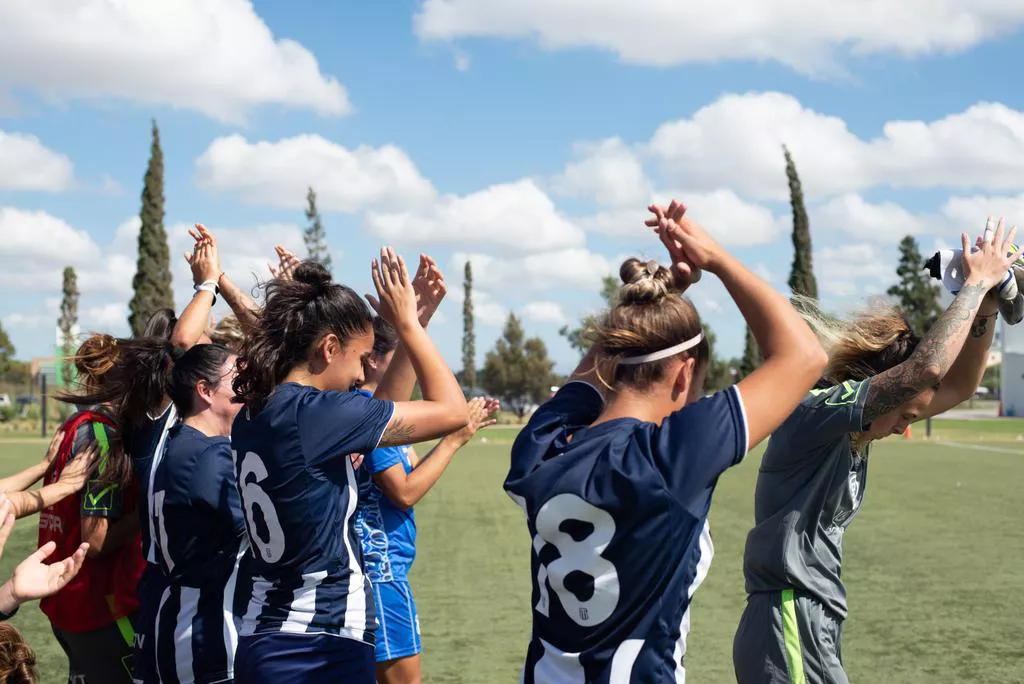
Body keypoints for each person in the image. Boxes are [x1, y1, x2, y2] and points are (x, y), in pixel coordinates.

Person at [504, 200, 828, 682]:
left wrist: (656, 301)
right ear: (684, 373)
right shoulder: (668, 457)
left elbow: (590, 375)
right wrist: (716, 259)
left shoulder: (542, 445)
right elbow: (805, 356)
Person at [732, 221, 1018, 684]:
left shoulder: (858, 432)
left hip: (812, 621)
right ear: (879, 393)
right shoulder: (820, 413)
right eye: (904, 414)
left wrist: (984, 306)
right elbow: (926, 369)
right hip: (788, 616)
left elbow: (960, 384)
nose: (905, 425)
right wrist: (977, 282)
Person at [230, 251, 468, 683]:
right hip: (317, 643)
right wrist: (409, 327)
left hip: (262, 634)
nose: (361, 375)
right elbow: (452, 411)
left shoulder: (262, 409)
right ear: (329, 348)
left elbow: (376, 415)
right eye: (360, 360)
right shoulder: (316, 415)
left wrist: (418, 320)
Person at [354, 305, 499, 684]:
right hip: (380, 571)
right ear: (372, 361)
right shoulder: (372, 415)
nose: (411, 366)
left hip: (385, 569)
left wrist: (458, 435)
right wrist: (453, 440)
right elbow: (403, 492)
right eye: (398, 355)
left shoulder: (382, 415)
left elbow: (410, 472)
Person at [42, 334, 148, 684]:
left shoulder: (74, 425)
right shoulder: (101, 437)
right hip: (100, 608)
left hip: (67, 603)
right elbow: (96, 541)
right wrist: (148, 508)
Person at [147, 344, 249, 684]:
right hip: (209, 632)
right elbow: (273, 526)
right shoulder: (208, 454)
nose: (248, 389)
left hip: (189, 621)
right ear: (205, 391)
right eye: (238, 380)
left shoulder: (183, 444)